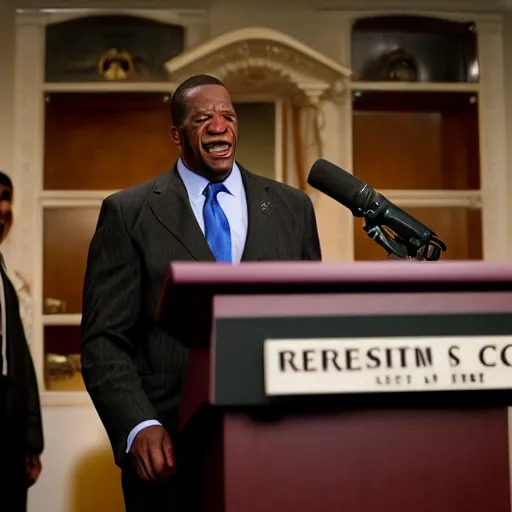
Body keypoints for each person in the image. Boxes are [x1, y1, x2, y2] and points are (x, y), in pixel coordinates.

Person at [81, 74, 322, 511]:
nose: (218, 125)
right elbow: (104, 341)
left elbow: (308, 320)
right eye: (203, 117)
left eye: (227, 115)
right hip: (171, 447)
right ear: (176, 133)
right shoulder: (129, 213)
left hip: (274, 440)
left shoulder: (292, 208)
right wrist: (138, 424)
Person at [0, 171, 43, 511]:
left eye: (6, 198)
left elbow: (23, 364)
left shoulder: (10, 285)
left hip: (10, 428)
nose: (2, 208)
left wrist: (32, 441)